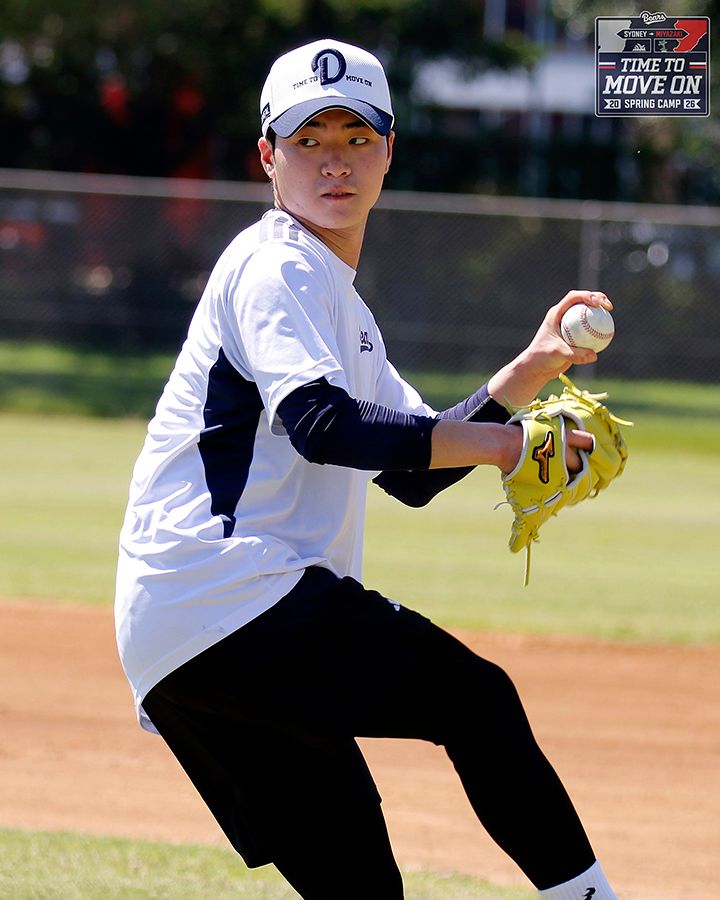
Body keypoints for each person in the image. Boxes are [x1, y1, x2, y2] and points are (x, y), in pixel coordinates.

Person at [115, 38, 619, 900]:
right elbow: (325, 426)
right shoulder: (275, 265)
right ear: (268, 156)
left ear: (389, 151)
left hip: (194, 627)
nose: (333, 162)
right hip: (230, 596)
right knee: (476, 701)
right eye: (309, 140)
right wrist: (509, 447)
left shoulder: (333, 301)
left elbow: (413, 463)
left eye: (355, 138)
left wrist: (534, 368)